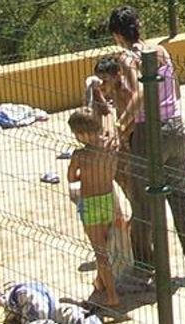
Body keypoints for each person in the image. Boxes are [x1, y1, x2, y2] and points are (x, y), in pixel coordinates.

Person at [107, 5, 185, 287]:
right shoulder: (162, 51)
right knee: (180, 196)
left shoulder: (128, 58)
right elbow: (176, 90)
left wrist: (122, 125)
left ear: (118, 35)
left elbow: (140, 92)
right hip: (175, 127)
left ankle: (144, 266)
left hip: (149, 132)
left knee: (143, 201)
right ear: (139, 25)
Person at [67, 107, 125, 308]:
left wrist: (86, 175)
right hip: (108, 200)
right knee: (108, 245)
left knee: (100, 252)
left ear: (81, 134)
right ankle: (101, 282)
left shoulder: (79, 155)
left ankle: (112, 296)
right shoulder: (111, 148)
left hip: (90, 204)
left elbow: (71, 177)